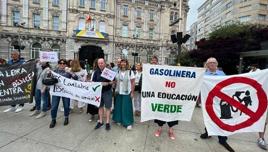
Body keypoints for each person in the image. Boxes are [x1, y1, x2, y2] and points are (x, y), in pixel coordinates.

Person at [200, 57, 234, 152]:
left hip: (219, 101)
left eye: (213, 62)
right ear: (207, 64)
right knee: (209, 117)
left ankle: (222, 139)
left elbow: (227, 85)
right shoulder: (204, 74)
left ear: (217, 64)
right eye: (209, 63)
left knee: (220, 118)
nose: (212, 64)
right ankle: (208, 132)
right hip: (208, 100)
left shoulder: (222, 74)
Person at [151, 56, 178, 140]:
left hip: (170, 96)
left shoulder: (170, 75)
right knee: (160, 111)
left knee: (171, 111)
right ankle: (159, 128)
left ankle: (170, 130)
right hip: (159, 96)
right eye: (153, 61)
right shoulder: (153, 72)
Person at [49, 59, 77, 128]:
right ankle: (53, 119)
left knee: (66, 106)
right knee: (54, 107)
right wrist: (49, 74)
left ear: (65, 64)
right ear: (58, 64)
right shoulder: (55, 71)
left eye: (63, 63)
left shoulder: (68, 71)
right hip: (56, 92)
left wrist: (71, 72)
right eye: (60, 63)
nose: (62, 64)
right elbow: (50, 80)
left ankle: (66, 117)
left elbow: (76, 78)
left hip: (66, 92)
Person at [112, 59, 135, 130]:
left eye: (124, 62)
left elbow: (133, 83)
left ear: (126, 63)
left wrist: (132, 92)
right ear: (120, 64)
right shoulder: (117, 72)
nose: (123, 64)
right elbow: (115, 81)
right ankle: (118, 120)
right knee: (118, 107)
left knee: (126, 108)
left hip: (127, 92)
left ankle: (128, 123)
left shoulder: (130, 72)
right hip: (118, 92)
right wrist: (113, 84)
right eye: (122, 62)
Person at [93, 58, 114, 130]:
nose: (100, 64)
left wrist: (107, 83)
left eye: (102, 63)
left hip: (107, 91)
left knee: (108, 107)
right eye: (99, 63)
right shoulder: (96, 72)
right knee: (100, 107)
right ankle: (100, 121)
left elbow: (114, 82)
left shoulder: (109, 72)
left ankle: (107, 122)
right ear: (98, 64)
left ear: (105, 63)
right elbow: (93, 82)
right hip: (99, 92)